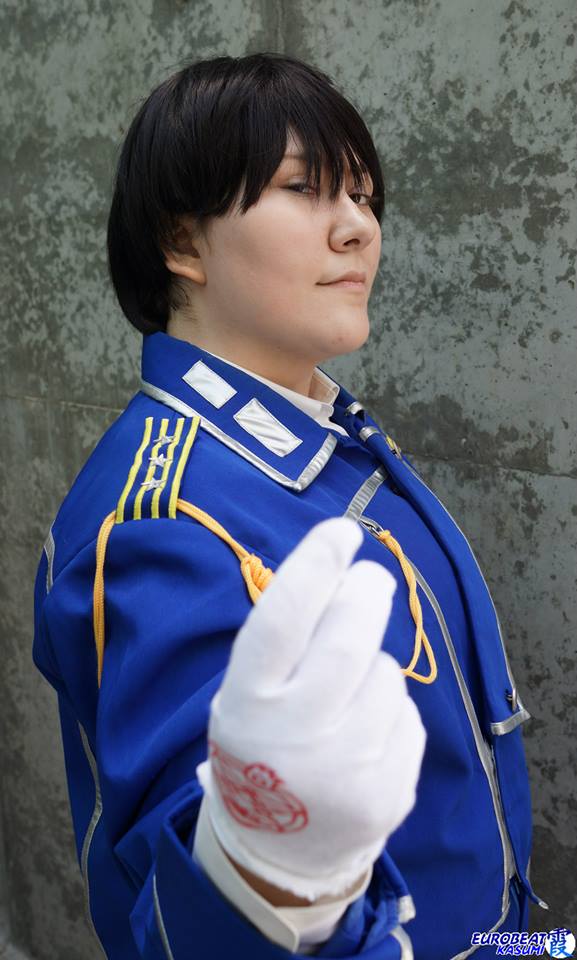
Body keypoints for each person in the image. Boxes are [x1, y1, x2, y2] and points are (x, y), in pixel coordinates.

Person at [33, 52, 547, 959]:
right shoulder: (163, 521)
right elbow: (194, 900)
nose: (358, 228)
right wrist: (265, 871)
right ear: (183, 241)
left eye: (363, 195)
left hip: (506, 939)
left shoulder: (321, 430)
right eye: (304, 188)